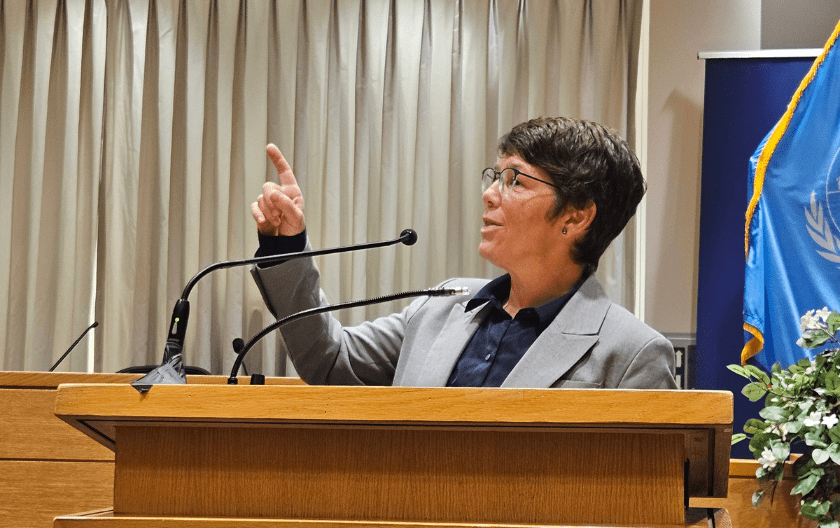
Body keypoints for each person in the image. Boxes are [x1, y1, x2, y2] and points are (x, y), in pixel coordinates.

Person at [250, 117, 677, 389]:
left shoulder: (634, 353)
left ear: (577, 216)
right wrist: (286, 244)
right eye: (495, 176)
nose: (490, 194)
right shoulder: (444, 304)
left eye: (515, 181)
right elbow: (329, 360)